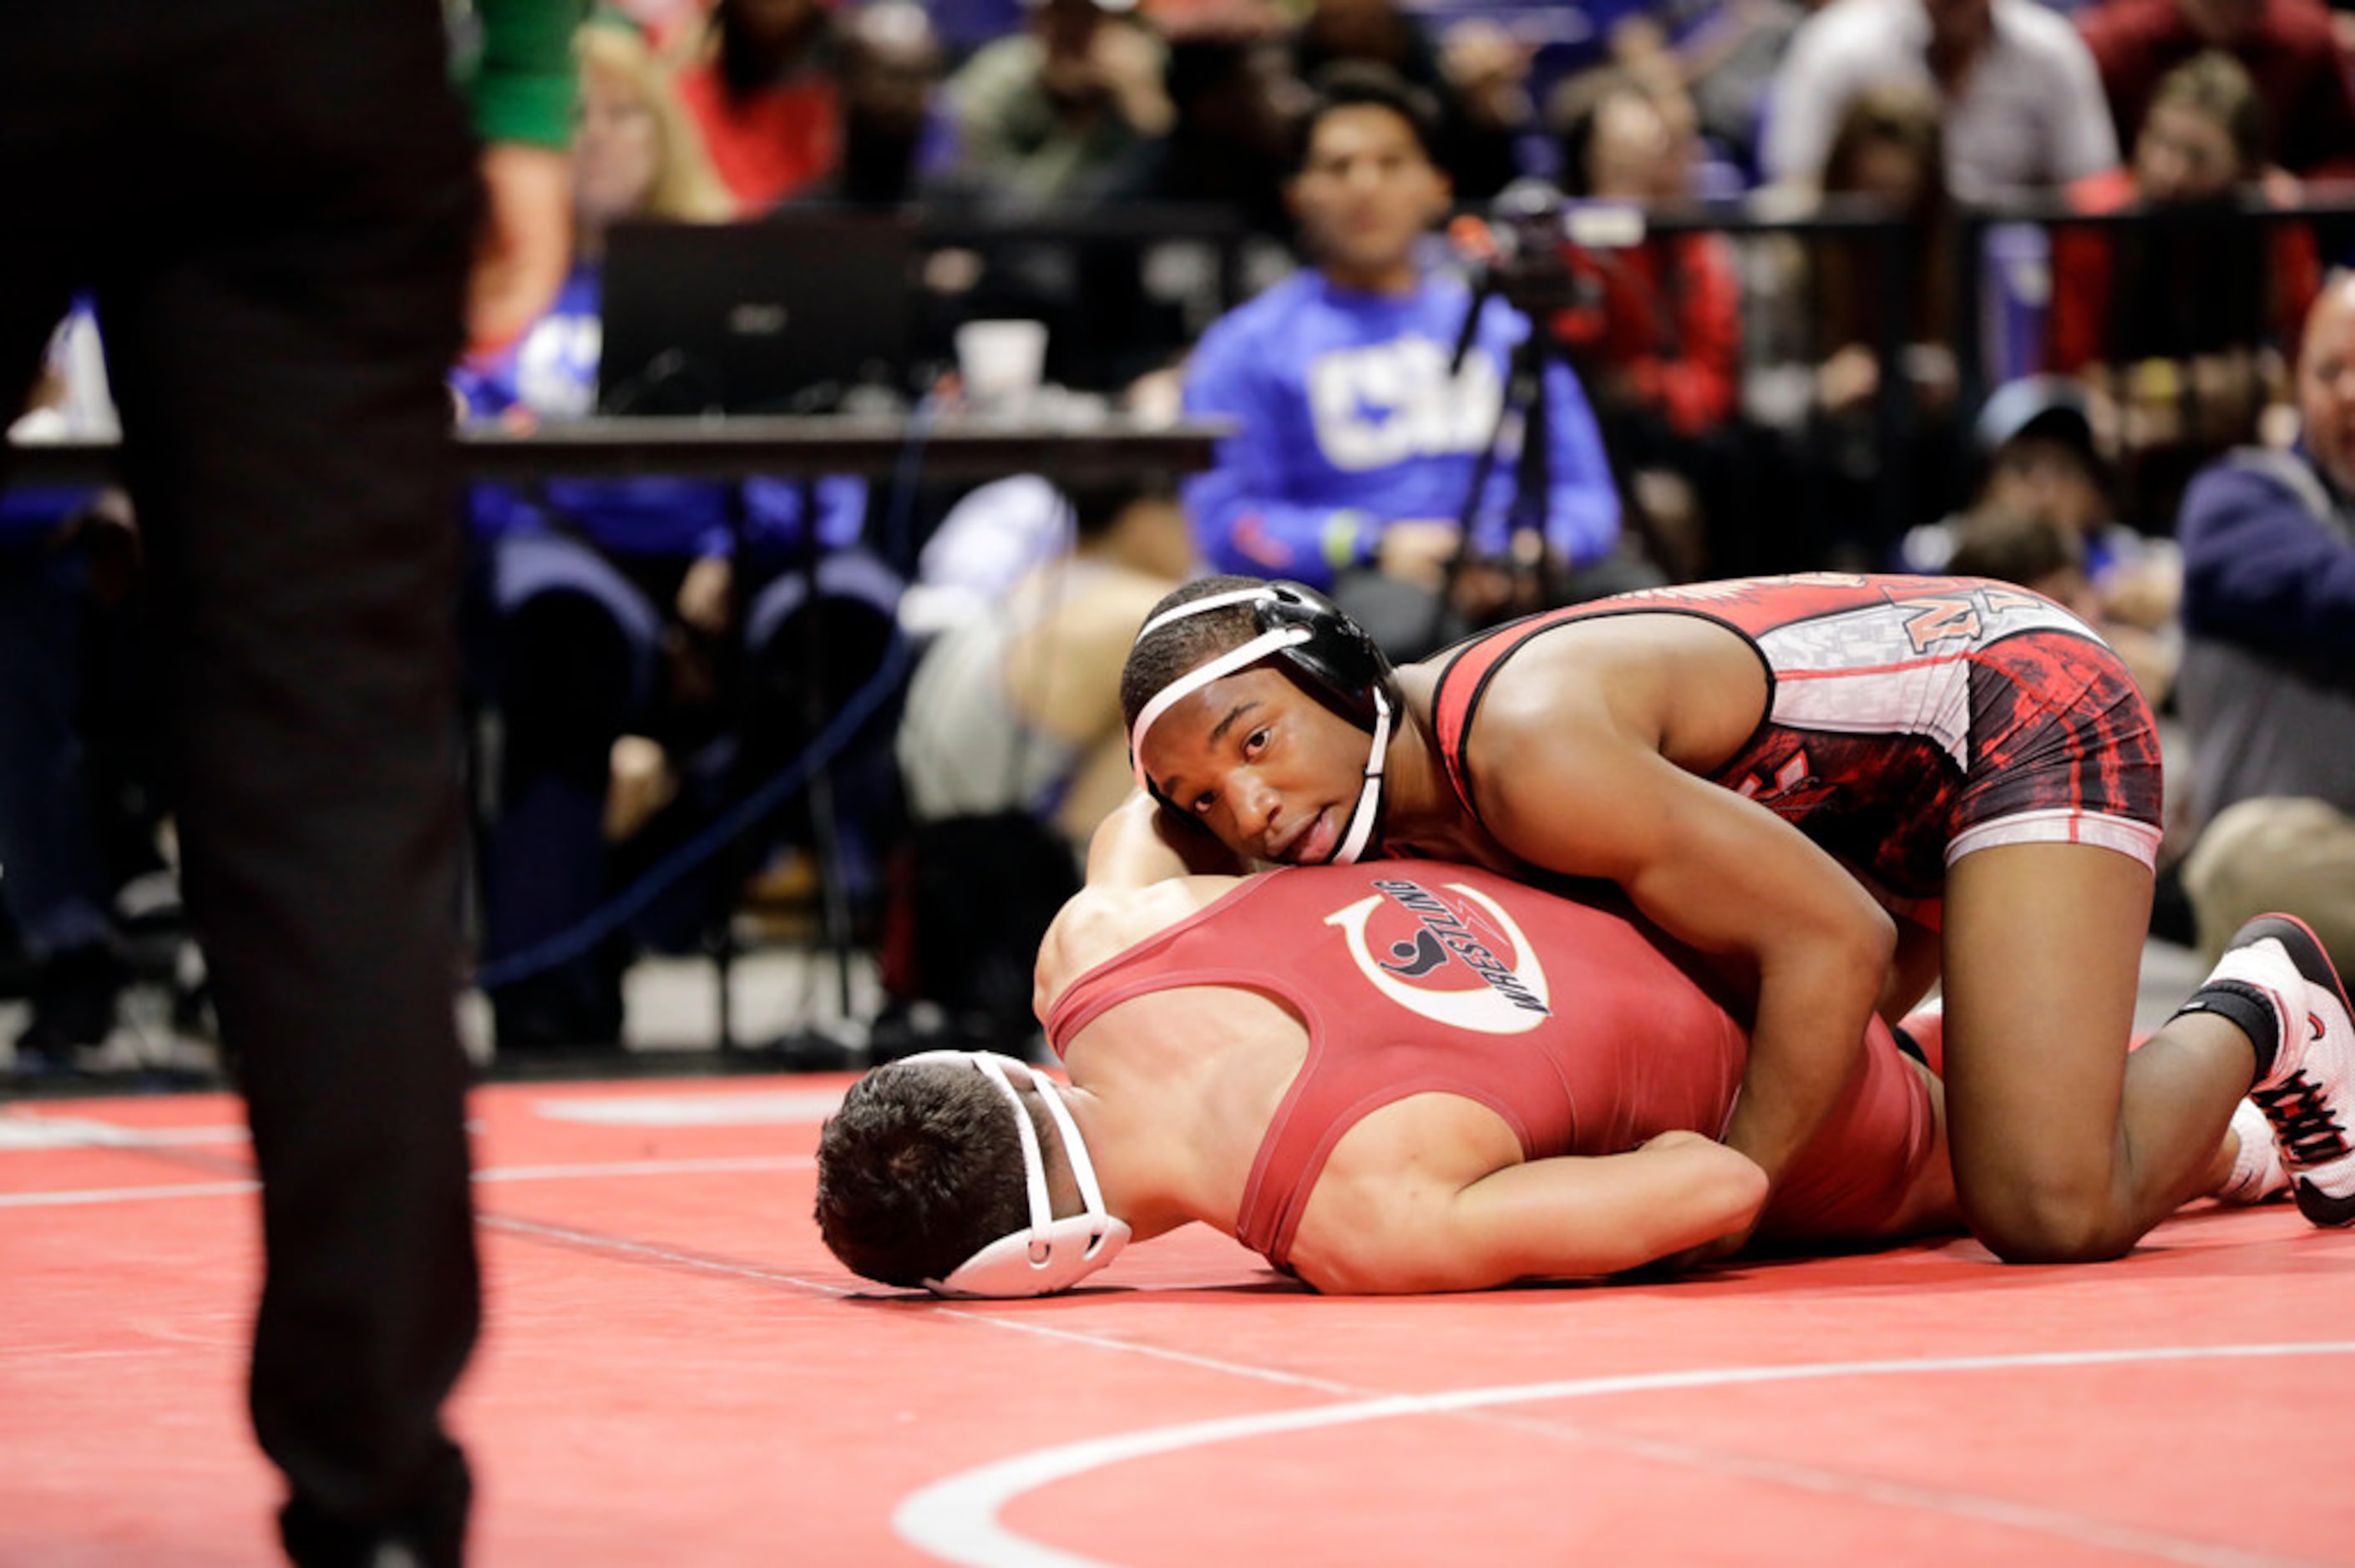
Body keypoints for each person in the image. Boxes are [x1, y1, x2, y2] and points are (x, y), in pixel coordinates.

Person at [0, 0, 575, 1560]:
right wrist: (524, 82)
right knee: (329, 768)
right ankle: (376, 1495)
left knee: (329, 765)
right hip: (302, 61)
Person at [1117, 574, 2355, 1260]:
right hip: (1852, 809)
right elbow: (1132, 857)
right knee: (1812, 1095)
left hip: (2012, 712)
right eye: (1204, 798)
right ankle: (2227, 1138)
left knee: (2042, 1208)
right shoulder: (1375, 796)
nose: (1254, 807)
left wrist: (1729, 1198)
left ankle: (2264, 1000)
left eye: (1260, 741)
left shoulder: (1532, 750)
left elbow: (1837, 943)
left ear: (1341, 678)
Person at [813, 800, 2286, 1295]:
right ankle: (1993, 1050)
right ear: (1006, 1068)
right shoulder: (1100, 940)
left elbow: (1710, 1192)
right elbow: (1157, 788)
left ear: (1051, 1254)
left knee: (2031, 1184)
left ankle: (2258, 1014)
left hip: (1806, 1065)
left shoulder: (1360, 1217)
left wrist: (1601, 1119)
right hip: (1742, 878)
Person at [1182, 64, 1643, 665]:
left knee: (1648, 612)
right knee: (1399, 631)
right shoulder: (1245, 346)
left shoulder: (1506, 325)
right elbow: (1230, 523)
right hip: (1367, 587)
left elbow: (1587, 493)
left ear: (1437, 187)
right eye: (1338, 167)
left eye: (1392, 162)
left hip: (1524, 568)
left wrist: (1539, 548)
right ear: (1297, 193)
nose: (1366, 185)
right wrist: (1374, 544)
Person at [2171, 270, 2355, 984]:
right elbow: (2333, 594)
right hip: (2300, 882)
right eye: (2329, 371)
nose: (2348, 393)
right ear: (2294, 389)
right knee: (2244, 854)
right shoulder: (2240, 498)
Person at [1759, 0, 2119, 205]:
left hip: (2012, 263)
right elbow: (1794, 181)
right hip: (1872, 265)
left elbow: (2094, 187)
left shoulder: (2053, 51)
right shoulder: (1836, 44)